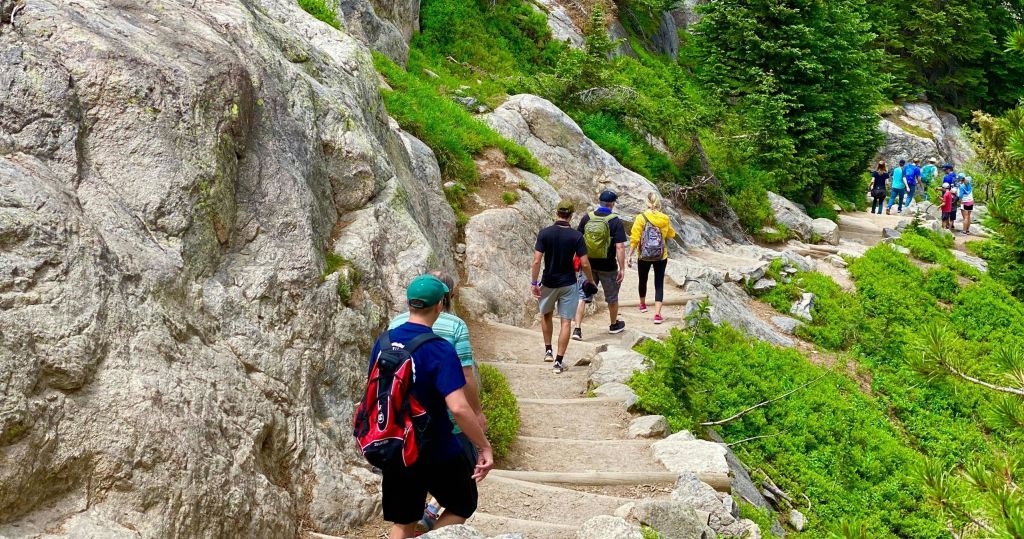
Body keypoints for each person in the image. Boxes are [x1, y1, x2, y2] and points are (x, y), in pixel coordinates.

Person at [374, 275, 494, 539]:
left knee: (403, 521)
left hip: (395, 444)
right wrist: (484, 446)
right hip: (435, 446)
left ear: (409, 304)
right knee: (462, 503)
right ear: (440, 305)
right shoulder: (440, 349)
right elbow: (459, 407)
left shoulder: (383, 341)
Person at [532, 200, 596, 373]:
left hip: (549, 281)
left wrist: (533, 282)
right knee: (566, 321)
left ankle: (548, 351)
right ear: (571, 215)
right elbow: (584, 263)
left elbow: (537, 260)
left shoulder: (544, 233)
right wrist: (590, 280)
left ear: (557, 213)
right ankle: (559, 362)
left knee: (546, 315)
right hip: (568, 282)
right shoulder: (576, 237)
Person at [577, 190, 628, 335]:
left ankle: (577, 329)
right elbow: (619, 247)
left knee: (582, 296)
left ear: (599, 202)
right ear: (612, 204)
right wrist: (622, 268)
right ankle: (613, 325)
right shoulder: (615, 221)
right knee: (612, 297)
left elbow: (579, 240)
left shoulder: (587, 217)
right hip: (608, 267)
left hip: (588, 265)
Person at [626, 192, 677, 324]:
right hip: (661, 256)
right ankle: (657, 314)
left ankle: (642, 305)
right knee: (658, 283)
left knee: (643, 279)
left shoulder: (641, 218)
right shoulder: (664, 218)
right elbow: (672, 234)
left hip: (644, 255)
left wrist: (629, 255)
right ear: (658, 203)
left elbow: (635, 238)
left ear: (647, 203)